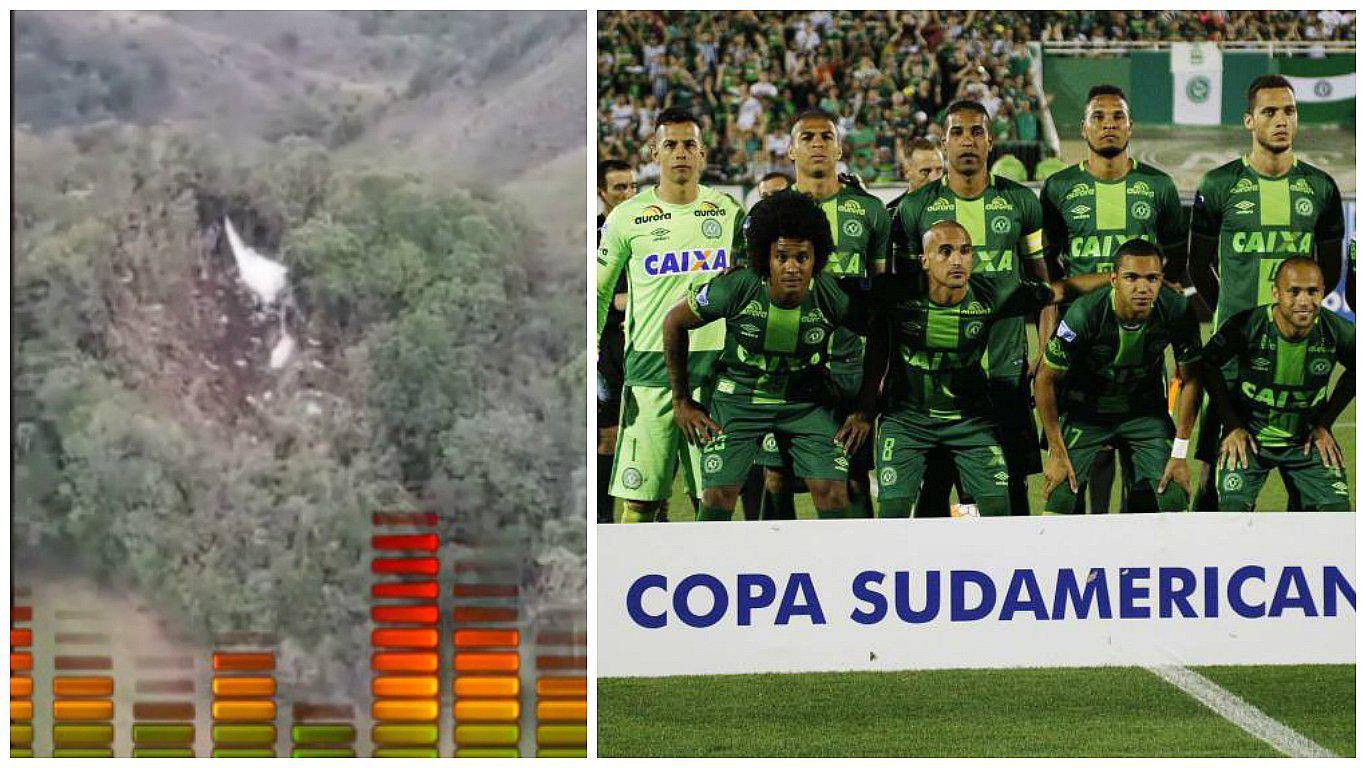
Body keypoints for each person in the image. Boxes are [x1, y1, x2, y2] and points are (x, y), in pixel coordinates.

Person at [865, 221, 1108, 517]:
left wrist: (1115, 277)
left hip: (970, 421)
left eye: (965, 251)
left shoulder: (991, 293)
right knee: (893, 513)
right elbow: (846, 302)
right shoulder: (895, 292)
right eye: (945, 251)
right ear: (924, 260)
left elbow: (1059, 291)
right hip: (907, 422)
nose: (957, 260)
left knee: (996, 510)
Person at [662, 193, 872, 521]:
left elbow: (881, 335)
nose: (792, 268)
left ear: (816, 258)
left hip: (805, 401)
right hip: (739, 398)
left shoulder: (831, 295)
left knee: (832, 492)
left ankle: (836, 569)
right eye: (781, 257)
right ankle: (707, 567)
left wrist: (864, 410)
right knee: (718, 495)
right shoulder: (737, 287)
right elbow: (674, 321)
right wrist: (681, 400)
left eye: (802, 257)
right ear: (765, 257)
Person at [1189, 75, 1345, 510]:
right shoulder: (1219, 184)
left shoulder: (1320, 188)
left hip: (1296, 346)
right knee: (1216, 468)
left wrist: (1300, 315)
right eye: (1269, 112)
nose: (1281, 120)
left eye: (1289, 111)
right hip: (1235, 352)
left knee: (1304, 460)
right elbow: (1198, 264)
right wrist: (1231, 313)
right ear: (1249, 120)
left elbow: (1329, 268)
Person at [892, 100, 1051, 516]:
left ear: (991, 141)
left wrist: (1045, 352)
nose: (968, 141)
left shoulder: (1020, 203)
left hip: (1004, 371)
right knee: (934, 491)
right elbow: (904, 302)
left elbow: (1044, 286)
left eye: (977, 131)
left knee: (1010, 491)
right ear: (944, 143)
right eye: (958, 132)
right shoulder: (915, 209)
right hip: (934, 381)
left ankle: (1010, 573)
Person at [1039, 84, 1187, 514]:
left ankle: (1129, 552)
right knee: (1085, 458)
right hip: (1081, 341)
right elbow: (1050, 278)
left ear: (1130, 126)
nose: (1108, 126)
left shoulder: (1158, 186)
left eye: (1117, 117)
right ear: (1083, 128)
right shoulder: (1059, 187)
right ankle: (1089, 543)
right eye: (1099, 118)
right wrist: (1048, 337)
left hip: (1140, 340)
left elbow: (1173, 264)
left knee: (1142, 462)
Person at [596, 108, 744, 523]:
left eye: (689, 145)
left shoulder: (729, 211)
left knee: (713, 501)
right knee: (640, 502)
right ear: (653, 153)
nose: (680, 152)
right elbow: (598, 288)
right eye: (671, 145)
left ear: (702, 154)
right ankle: (626, 581)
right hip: (649, 373)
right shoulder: (628, 217)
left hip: (715, 375)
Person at [751, 110, 891, 520]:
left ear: (839, 147)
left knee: (852, 476)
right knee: (777, 477)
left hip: (847, 371)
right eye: (807, 137)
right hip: (784, 373)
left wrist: (870, 392)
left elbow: (881, 301)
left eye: (825, 136)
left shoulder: (870, 212)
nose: (817, 144)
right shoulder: (766, 215)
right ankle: (775, 571)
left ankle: (862, 568)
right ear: (791, 150)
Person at [1036, 239, 1203, 514]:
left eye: (1152, 278)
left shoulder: (1177, 309)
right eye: (1131, 278)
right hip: (1087, 411)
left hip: (1144, 412)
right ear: (1113, 279)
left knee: (1172, 494)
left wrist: (1180, 453)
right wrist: (1056, 451)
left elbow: (1192, 379)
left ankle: (1159, 557)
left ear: (1162, 280)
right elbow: (1044, 378)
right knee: (1061, 495)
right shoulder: (1084, 313)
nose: (1142, 287)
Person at [1195, 257, 1354, 511]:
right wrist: (1233, 425)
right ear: (1276, 293)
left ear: (1323, 292)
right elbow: (1206, 364)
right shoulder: (1248, 325)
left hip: (1306, 442)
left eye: (1312, 291)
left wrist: (1325, 422)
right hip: (1250, 441)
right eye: (1294, 292)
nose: (1304, 301)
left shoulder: (1336, 330)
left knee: (1336, 516)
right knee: (1232, 516)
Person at [596, 160, 637, 524]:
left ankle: (655, 515)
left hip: (646, 347)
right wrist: (616, 305)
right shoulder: (594, 238)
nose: (627, 194)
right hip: (606, 352)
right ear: (601, 193)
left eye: (631, 187)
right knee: (607, 436)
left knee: (658, 436)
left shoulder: (646, 232)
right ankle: (603, 523)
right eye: (619, 187)